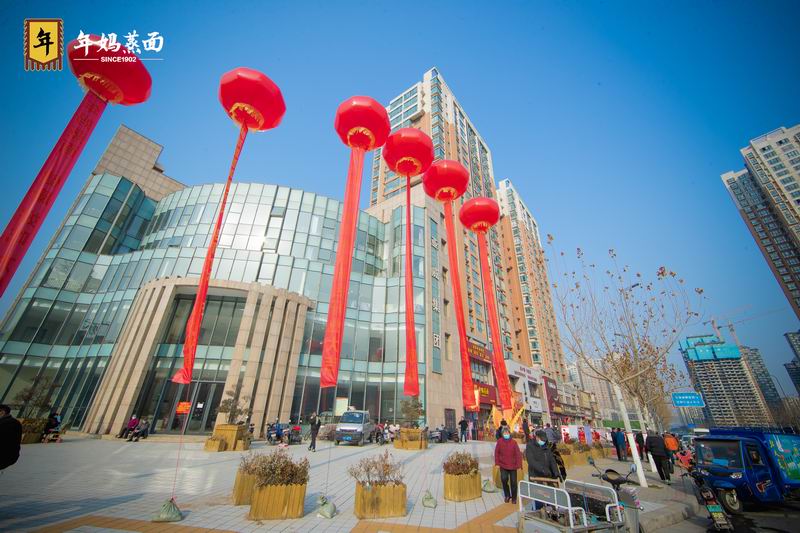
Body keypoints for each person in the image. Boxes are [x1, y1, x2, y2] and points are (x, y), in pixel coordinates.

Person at [495, 427, 523, 504]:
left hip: (513, 466)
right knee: (504, 479)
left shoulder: (514, 442)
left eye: (507, 433)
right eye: (504, 433)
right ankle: (507, 495)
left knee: (513, 482)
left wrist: (519, 465)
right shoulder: (499, 442)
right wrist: (497, 463)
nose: (506, 434)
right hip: (503, 465)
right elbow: (496, 453)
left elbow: (518, 454)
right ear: (502, 434)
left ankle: (514, 498)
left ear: (509, 433)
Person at [0, 404, 22, 470]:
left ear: (2, 412)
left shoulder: (6, 423)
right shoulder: (14, 422)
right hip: (11, 455)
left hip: (5, 456)